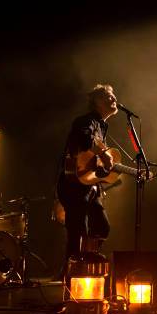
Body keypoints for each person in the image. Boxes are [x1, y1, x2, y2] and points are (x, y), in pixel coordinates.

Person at [56, 84, 119, 263]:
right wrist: (104, 153)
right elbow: (85, 139)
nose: (114, 99)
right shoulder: (86, 121)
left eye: (114, 96)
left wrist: (102, 173)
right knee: (78, 233)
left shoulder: (102, 127)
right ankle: (72, 275)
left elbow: (93, 162)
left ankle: (87, 259)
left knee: (102, 227)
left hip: (89, 187)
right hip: (73, 185)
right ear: (97, 101)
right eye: (109, 96)